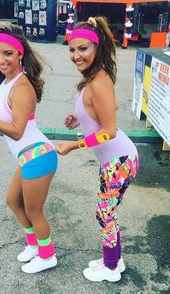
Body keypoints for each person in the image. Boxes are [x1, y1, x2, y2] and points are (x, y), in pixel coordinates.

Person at [0, 23, 58, 274]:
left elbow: (17, 130)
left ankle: (47, 255)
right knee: (13, 202)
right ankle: (33, 245)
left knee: (33, 210)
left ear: (20, 54)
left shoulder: (22, 86)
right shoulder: (6, 83)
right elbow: (3, 122)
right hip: (29, 156)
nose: (0, 59)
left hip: (38, 155)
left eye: (8, 53)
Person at [56, 16, 139, 282]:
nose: (76, 55)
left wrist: (75, 144)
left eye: (83, 49)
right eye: (72, 48)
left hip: (119, 160)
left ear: (97, 48)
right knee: (107, 212)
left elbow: (110, 130)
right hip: (118, 158)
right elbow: (104, 112)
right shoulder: (93, 77)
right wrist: (79, 118)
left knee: (104, 213)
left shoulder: (98, 80)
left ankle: (111, 268)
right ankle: (113, 260)